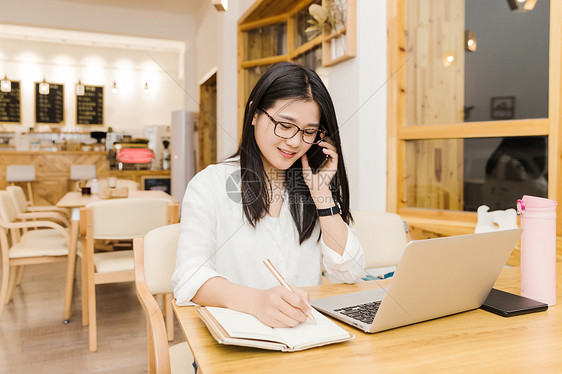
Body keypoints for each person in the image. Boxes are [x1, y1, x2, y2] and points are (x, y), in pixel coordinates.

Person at [172, 62, 365, 329]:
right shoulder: (210, 184)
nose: (295, 142)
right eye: (285, 125)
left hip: (306, 336)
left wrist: (322, 196)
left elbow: (350, 271)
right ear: (254, 113)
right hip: (239, 337)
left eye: (309, 131)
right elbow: (189, 277)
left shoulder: (311, 187)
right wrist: (257, 302)